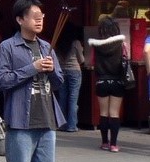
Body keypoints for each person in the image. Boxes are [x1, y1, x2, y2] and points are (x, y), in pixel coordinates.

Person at [0, 0, 64, 162]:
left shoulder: (46, 46)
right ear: (20, 19)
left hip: (47, 120)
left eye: (41, 16)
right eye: (34, 16)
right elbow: (0, 81)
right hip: (20, 121)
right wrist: (31, 68)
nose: (39, 20)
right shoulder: (7, 47)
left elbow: (59, 82)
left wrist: (52, 71)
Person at [88, 16, 127, 152]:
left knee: (103, 113)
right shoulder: (121, 44)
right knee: (114, 113)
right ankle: (114, 145)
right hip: (117, 81)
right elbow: (125, 60)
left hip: (102, 81)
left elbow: (92, 62)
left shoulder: (96, 46)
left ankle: (105, 142)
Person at [54, 22, 85, 132]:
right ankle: (72, 126)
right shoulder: (76, 43)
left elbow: (56, 59)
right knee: (73, 99)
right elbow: (81, 59)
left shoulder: (58, 42)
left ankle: (62, 125)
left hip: (62, 71)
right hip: (74, 71)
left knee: (62, 98)